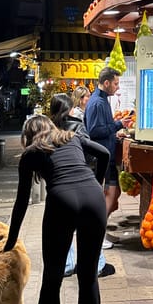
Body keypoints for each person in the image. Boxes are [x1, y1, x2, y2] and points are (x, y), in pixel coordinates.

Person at [4, 115, 110, 304]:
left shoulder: (31, 153)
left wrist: (11, 239)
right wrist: (97, 182)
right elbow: (104, 153)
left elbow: (21, 202)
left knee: (52, 278)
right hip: (94, 199)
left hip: (61, 201)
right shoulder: (72, 136)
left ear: (28, 136)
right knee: (88, 275)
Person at [50, 93, 114, 278]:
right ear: (70, 109)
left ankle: (67, 264)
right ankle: (97, 265)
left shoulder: (47, 128)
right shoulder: (77, 127)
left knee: (63, 225)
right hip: (83, 180)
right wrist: (98, 179)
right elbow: (96, 154)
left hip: (59, 184)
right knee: (88, 225)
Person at [84, 67, 132, 250]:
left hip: (107, 154)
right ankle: (96, 235)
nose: (117, 87)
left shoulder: (101, 101)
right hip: (100, 157)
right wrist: (118, 124)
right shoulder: (97, 103)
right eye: (115, 83)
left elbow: (103, 128)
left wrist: (114, 134)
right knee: (109, 195)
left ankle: (100, 232)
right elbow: (94, 131)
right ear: (106, 83)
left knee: (114, 194)